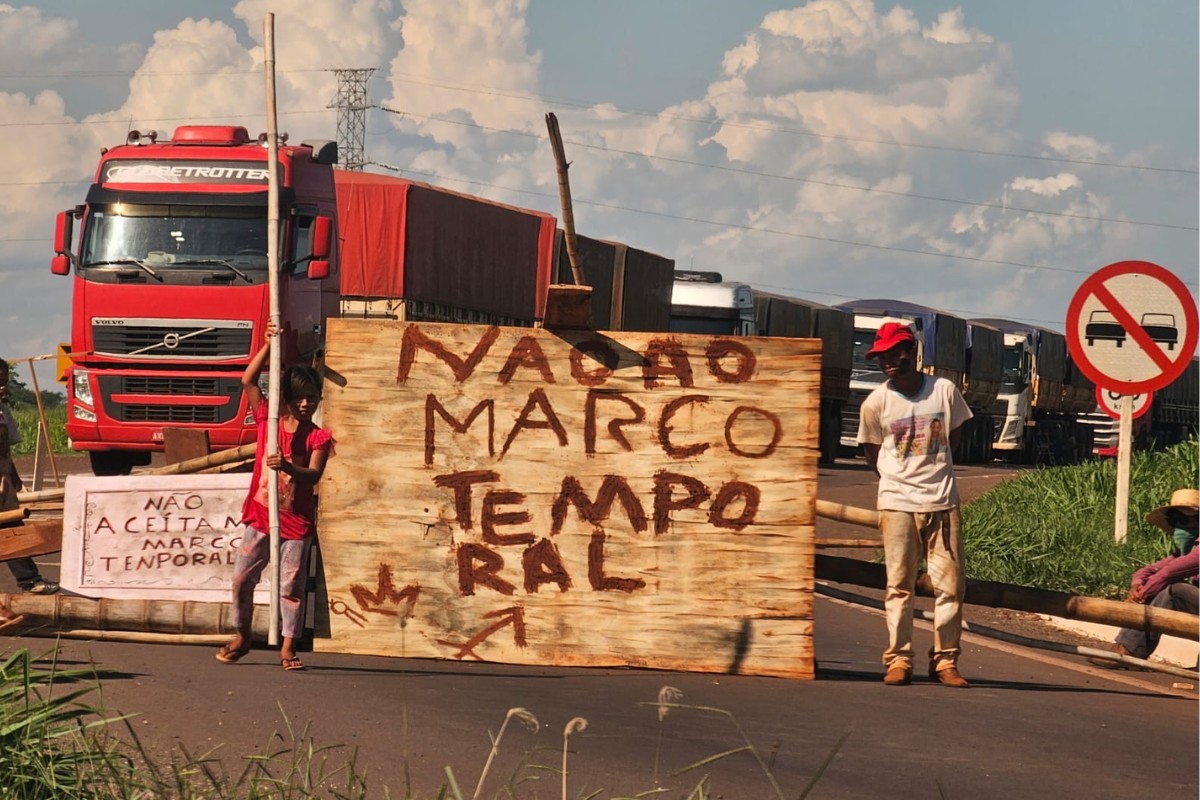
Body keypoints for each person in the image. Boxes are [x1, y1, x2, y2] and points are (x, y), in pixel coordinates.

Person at [856, 322, 974, 688]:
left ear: (912, 352)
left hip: (942, 501)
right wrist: (898, 483)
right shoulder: (876, 402)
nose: (890, 362)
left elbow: (954, 435)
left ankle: (945, 661)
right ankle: (899, 659)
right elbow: (872, 452)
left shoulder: (944, 390)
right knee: (899, 585)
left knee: (951, 586)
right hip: (897, 502)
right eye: (882, 357)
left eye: (896, 354)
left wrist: (932, 475)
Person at [215, 325, 333, 671]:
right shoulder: (268, 419)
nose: (306, 403)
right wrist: (269, 346)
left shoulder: (319, 437)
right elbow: (248, 382)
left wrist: (289, 467)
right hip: (261, 515)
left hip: (295, 524)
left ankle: (287, 647)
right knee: (242, 579)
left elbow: (314, 475)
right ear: (287, 398)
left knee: (290, 586)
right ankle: (242, 635)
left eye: (312, 397)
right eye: (300, 397)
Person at [1089, 488, 1199, 668]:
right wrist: (1137, 585)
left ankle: (1130, 651)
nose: (1179, 526)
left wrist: (1140, 597)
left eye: (1184, 520)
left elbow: (1167, 574)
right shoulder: (1186, 552)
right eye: (1175, 520)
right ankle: (1128, 649)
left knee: (1174, 591)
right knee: (1165, 588)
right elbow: (1149, 571)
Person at [0, 358, 58, 596]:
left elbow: (6, 450)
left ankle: (29, 580)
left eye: (4, 382)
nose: (2, 387)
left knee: (12, 526)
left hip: (3, 484)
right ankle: (30, 580)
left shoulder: (2, 409)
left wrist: (15, 479)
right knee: (10, 526)